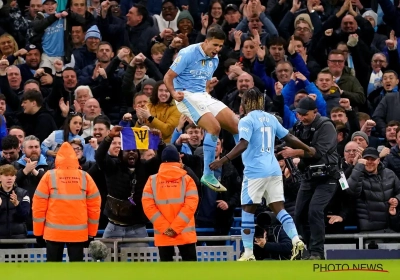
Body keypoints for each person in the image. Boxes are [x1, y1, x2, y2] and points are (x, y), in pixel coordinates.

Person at [210, 88, 315, 261]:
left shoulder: (246, 120)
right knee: (279, 208)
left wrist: (223, 160)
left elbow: (243, 143)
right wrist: (307, 148)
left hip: (255, 171)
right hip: (273, 170)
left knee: (247, 211)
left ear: (245, 103)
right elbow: (288, 137)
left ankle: (249, 253)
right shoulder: (271, 118)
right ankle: (297, 239)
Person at [164, 27, 239, 192]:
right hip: (185, 95)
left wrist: (207, 88)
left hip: (202, 96)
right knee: (214, 128)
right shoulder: (188, 53)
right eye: (215, 45)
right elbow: (168, 76)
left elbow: (202, 85)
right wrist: (173, 93)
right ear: (206, 41)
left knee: (236, 124)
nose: (217, 49)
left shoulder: (215, 59)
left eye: (220, 46)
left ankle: (247, 163)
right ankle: (207, 174)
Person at [278, 97, 339, 260]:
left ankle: (317, 252)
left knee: (315, 210)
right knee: (298, 213)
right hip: (308, 176)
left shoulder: (326, 126)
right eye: (299, 114)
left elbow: (318, 152)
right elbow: (286, 141)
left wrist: (294, 153)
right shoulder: (299, 126)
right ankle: (304, 249)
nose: (302, 117)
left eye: (305, 114)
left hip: (328, 176)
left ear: (315, 112)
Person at [32, 142, 101, 262]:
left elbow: (38, 207)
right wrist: (91, 233)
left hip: (53, 233)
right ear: (74, 158)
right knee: (76, 272)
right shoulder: (85, 177)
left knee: (53, 272)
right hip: (78, 234)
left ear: (58, 157)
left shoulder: (49, 176)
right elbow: (94, 208)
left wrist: (38, 233)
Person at [142, 145, 199, 261]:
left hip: (163, 234)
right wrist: (175, 228)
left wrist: (166, 228)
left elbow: (148, 207)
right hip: (185, 234)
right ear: (179, 160)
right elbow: (190, 207)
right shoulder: (187, 180)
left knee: (166, 273)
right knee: (192, 273)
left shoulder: (152, 181)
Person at [0, 164, 30, 246]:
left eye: (12, 175)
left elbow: (24, 216)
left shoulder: (23, 193)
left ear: (15, 178)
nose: (9, 178)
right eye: (6, 175)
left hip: (19, 240)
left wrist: (17, 204)